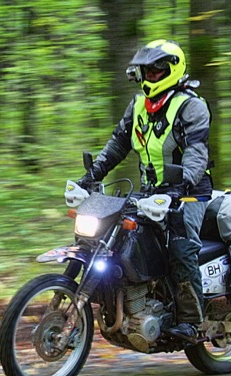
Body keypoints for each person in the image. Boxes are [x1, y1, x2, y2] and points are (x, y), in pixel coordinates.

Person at [77, 39, 213, 339]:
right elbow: (117, 145)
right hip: (151, 192)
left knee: (180, 245)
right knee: (111, 233)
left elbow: (196, 154)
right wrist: (91, 175)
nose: (150, 76)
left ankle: (192, 321)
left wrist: (181, 186)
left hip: (189, 193)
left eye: (156, 70)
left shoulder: (192, 106)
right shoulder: (139, 105)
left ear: (172, 70)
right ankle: (129, 300)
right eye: (146, 71)